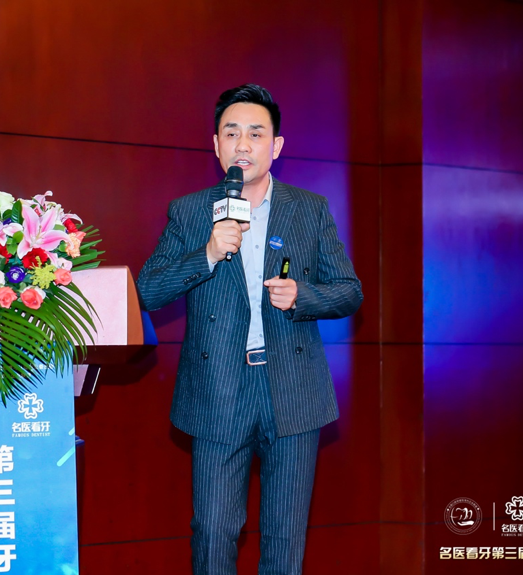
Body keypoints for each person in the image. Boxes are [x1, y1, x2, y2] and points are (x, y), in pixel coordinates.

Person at [137, 84, 363, 575]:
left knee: (284, 537)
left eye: (256, 134)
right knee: (213, 531)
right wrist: (207, 253)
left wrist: (303, 295)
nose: (243, 144)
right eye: (231, 133)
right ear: (216, 145)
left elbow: (349, 291)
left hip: (293, 389)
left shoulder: (309, 209)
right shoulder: (190, 212)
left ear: (275, 146)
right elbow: (147, 291)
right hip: (218, 388)